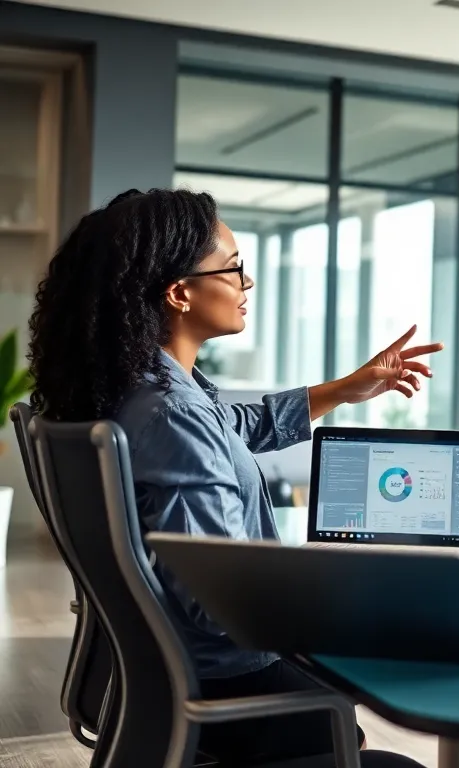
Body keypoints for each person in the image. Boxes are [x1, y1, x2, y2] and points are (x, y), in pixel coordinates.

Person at [28, 188, 430, 767]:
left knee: (342, 710)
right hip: (221, 686)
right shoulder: (173, 414)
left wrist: (344, 390)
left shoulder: (142, 388)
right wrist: (347, 598)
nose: (247, 284)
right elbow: (216, 598)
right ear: (179, 292)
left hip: (160, 688)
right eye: (235, 269)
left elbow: (227, 430)